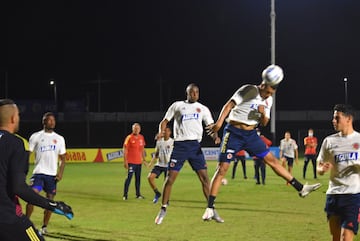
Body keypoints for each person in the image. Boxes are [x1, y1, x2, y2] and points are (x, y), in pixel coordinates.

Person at [202, 65, 321, 222]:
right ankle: (210, 208)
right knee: (222, 168)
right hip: (234, 133)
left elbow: (265, 122)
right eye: (268, 92)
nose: (268, 96)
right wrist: (218, 124)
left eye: (271, 93)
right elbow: (229, 105)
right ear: (263, 85)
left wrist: (262, 113)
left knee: (272, 161)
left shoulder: (269, 100)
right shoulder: (249, 90)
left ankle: (301, 188)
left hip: (251, 135)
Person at [0, 99, 73, 241]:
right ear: (13, 118)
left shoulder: (58, 139)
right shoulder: (15, 143)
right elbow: (18, 187)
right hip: (7, 217)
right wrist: (51, 204)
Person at [154, 83, 221, 225]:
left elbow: (210, 126)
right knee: (170, 178)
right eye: (192, 92)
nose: (195, 94)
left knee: (205, 178)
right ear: (187, 93)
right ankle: (163, 209)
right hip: (180, 146)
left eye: (197, 92)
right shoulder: (177, 106)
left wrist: (215, 136)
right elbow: (165, 121)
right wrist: (161, 131)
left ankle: (211, 209)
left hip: (195, 146)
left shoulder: (203, 109)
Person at [317, 104, 360, 241]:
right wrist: (322, 169)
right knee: (335, 237)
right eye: (333, 118)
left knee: (345, 237)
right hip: (333, 195)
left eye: (337, 118)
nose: (333, 121)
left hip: (353, 196)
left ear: (349, 119)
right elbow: (319, 166)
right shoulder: (329, 141)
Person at [25, 112, 67, 235]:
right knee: (31, 197)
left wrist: (60, 173)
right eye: (49, 120)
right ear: (44, 122)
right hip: (38, 174)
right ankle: (26, 223)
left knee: (50, 202)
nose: (52, 122)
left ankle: (44, 227)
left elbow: (63, 158)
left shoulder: (59, 139)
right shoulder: (36, 136)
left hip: (51, 177)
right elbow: (28, 154)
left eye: (53, 120)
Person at [147, 127, 174, 204]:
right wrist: (151, 163)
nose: (165, 132)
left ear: (170, 133)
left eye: (167, 131)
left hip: (168, 165)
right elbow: (156, 154)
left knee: (167, 183)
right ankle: (157, 193)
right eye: (164, 131)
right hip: (159, 164)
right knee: (150, 177)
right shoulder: (159, 142)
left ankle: (166, 200)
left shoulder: (172, 142)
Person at [122, 122, 148, 200]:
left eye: (137, 128)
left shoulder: (141, 137)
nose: (136, 130)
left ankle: (138, 194)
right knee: (128, 178)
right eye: (135, 128)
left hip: (138, 162)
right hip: (131, 162)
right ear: (132, 129)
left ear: (140, 129)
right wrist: (125, 161)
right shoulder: (129, 137)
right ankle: (125, 195)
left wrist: (144, 159)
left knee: (138, 179)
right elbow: (125, 149)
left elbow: (142, 149)